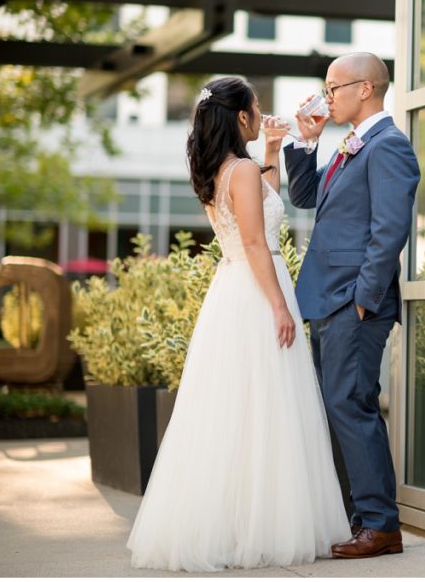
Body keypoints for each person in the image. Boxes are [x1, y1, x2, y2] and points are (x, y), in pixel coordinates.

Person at [127, 77, 350, 572]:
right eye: (257, 109)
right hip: (256, 289)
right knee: (266, 406)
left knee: (242, 408)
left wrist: (273, 148)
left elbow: (265, 216)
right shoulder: (243, 170)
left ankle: (241, 523)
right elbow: (256, 243)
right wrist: (277, 304)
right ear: (240, 117)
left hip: (233, 290)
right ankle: (260, 525)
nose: (261, 113)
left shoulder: (225, 170)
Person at [284, 52, 420, 559]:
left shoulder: (389, 146)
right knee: (342, 405)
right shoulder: (351, 145)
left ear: (365, 88)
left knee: (351, 405)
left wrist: (364, 299)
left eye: (333, 86)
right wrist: (306, 139)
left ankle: (381, 525)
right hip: (330, 298)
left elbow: (389, 232)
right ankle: (365, 517)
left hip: (354, 302)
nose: (326, 96)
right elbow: (305, 196)